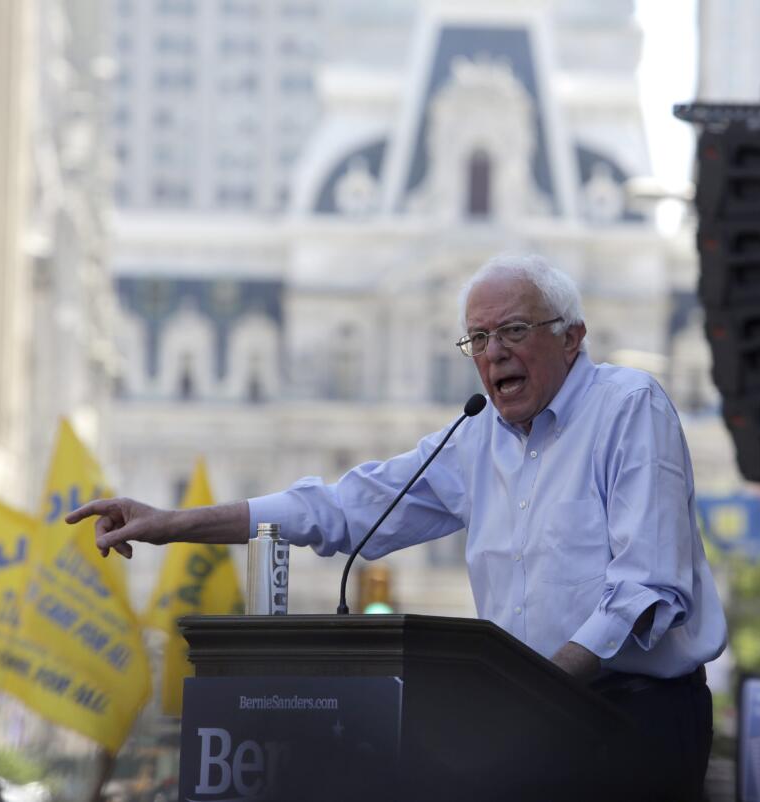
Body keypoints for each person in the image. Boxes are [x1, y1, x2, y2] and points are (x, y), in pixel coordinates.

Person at [68, 252, 726, 800]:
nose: (493, 354)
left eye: (515, 332)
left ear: (572, 336)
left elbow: (647, 588)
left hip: (635, 718)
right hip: (535, 716)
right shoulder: (476, 440)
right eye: (478, 339)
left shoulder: (628, 407)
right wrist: (175, 522)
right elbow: (342, 508)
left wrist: (534, 690)